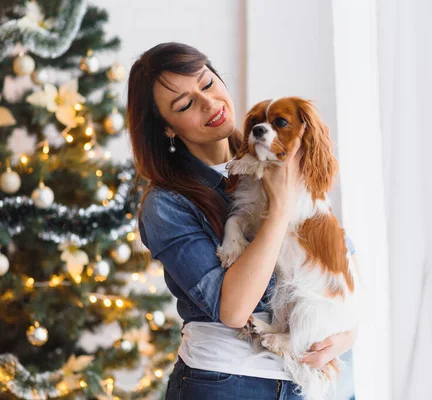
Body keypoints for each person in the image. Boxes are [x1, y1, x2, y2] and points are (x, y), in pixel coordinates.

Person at [127, 42, 357, 400]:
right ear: (167, 128)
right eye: (185, 104)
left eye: (207, 83)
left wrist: (346, 335)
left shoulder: (279, 156)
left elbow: (342, 265)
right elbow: (233, 309)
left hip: (313, 377)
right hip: (230, 383)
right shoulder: (166, 204)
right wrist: (279, 207)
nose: (208, 103)